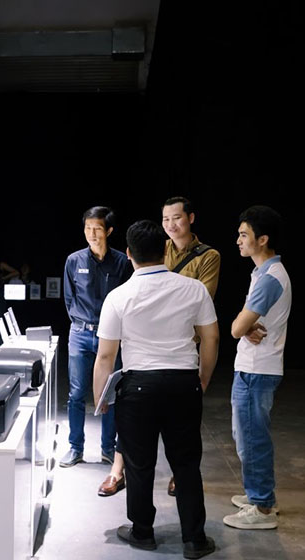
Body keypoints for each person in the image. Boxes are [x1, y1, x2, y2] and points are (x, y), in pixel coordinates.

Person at [93, 220, 218, 558]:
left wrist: (101, 398)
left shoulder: (118, 296)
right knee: (186, 463)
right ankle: (194, 539)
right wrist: (203, 378)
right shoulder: (194, 289)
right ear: (165, 249)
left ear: (128, 253)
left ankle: (142, 531)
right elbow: (211, 338)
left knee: (138, 463)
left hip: (139, 388)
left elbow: (105, 355)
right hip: (183, 383)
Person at [223, 205, 291, 530]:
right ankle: (258, 496)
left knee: (252, 438)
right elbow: (243, 324)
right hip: (254, 367)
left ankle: (262, 507)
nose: (238, 240)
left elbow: (236, 327)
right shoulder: (262, 273)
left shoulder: (270, 279)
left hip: (257, 369)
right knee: (247, 435)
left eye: (244, 235)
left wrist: (242, 325)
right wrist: (244, 325)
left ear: (263, 239)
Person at [60, 206, 132, 468]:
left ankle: (108, 449)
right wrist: (81, 322)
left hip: (111, 336)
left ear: (109, 231)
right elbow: (69, 299)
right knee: (76, 393)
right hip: (80, 333)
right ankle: (75, 448)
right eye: (87, 228)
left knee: (111, 394)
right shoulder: (74, 261)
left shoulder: (122, 262)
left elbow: (128, 299)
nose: (91, 233)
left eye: (97, 228)